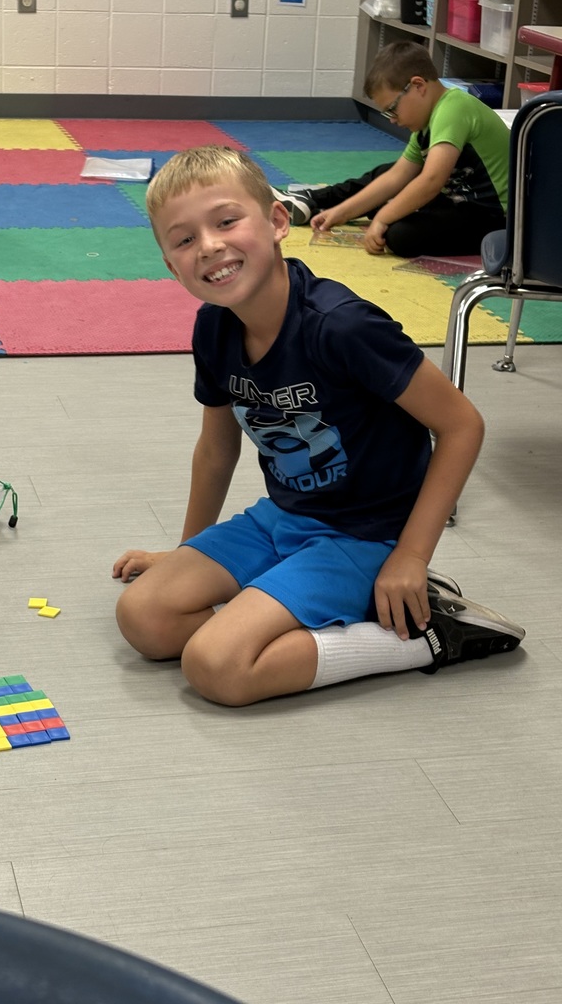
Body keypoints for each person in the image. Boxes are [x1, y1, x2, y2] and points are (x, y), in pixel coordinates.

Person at [111, 145, 523, 707]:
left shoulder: (343, 327)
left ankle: (426, 636)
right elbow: (215, 450)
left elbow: (462, 426)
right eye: (183, 240)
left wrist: (410, 557)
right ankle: (295, 607)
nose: (209, 246)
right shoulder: (213, 329)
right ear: (171, 264)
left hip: (367, 534)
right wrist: (188, 551)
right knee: (145, 618)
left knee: (216, 665)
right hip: (285, 518)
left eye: (227, 221)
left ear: (278, 221)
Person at [272, 41, 510, 258]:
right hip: (457, 203)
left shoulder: (454, 107)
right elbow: (397, 176)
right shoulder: (426, 126)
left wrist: (384, 219)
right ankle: (317, 200)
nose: (392, 120)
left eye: (392, 110)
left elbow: (431, 180)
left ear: (418, 85)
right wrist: (340, 213)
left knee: (398, 235)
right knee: (385, 180)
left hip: (492, 216)